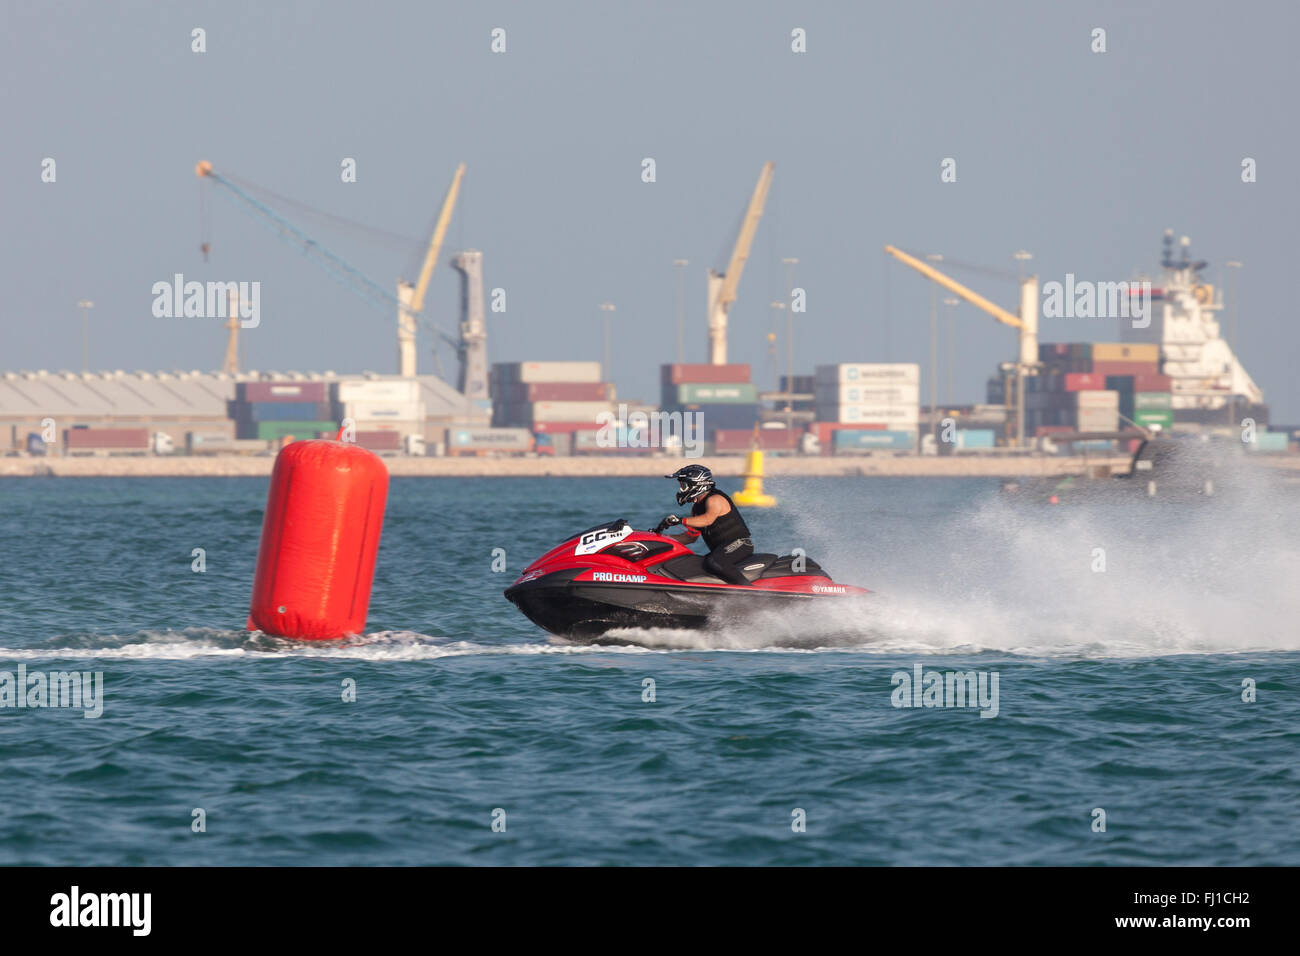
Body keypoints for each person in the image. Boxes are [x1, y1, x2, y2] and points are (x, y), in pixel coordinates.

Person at [655, 465, 755, 585]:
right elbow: (690, 537)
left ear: (697, 484)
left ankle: (750, 591)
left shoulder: (715, 499)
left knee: (714, 562)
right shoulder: (696, 509)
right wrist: (660, 539)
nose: (681, 490)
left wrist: (680, 520)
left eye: (684, 486)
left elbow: (708, 520)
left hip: (740, 544)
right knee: (695, 564)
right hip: (722, 549)